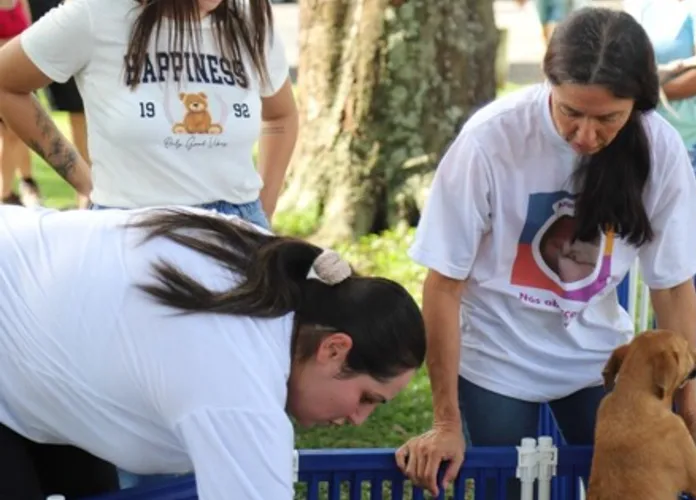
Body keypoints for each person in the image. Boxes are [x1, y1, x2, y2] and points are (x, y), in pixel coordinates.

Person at [394, 7, 696, 498]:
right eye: (570, 111)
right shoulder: (491, 138)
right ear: (548, 82)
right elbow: (444, 284)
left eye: (608, 117)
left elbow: (673, 285)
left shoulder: (660, 148)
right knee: (508, 486)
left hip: (597, 357)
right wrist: (446, 421)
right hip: (496, 353)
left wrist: (688, 412)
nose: (586, 135)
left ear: (638, 102)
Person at [0, 205, 426, 499]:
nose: (358, 418)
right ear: (334, 349)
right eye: (368, 398)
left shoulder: (276, 273)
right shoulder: (239, 384)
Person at [0, 0, 297, 227]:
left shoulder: (251, 16)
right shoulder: (97, 12)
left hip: (238, 231)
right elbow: (7, 83)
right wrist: (84, 181)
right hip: (132, 230)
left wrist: (261, 211)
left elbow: (281, 116)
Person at [624, 0, 696, 213]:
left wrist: (638, 94)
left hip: (693, 143)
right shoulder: (646, 5)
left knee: (680, 238)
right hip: (644, 139)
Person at [25, 0, 91, 208]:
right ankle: (25, 185)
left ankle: (87, 191)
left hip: (72, 23)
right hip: (29, 25)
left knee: (79, 110)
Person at [0, 0, 36, 207]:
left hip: (21, 79)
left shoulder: (21, 1)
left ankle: (15, 189)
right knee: (9, 134)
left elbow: (31, 37)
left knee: (18, 135)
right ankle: (5, 194)